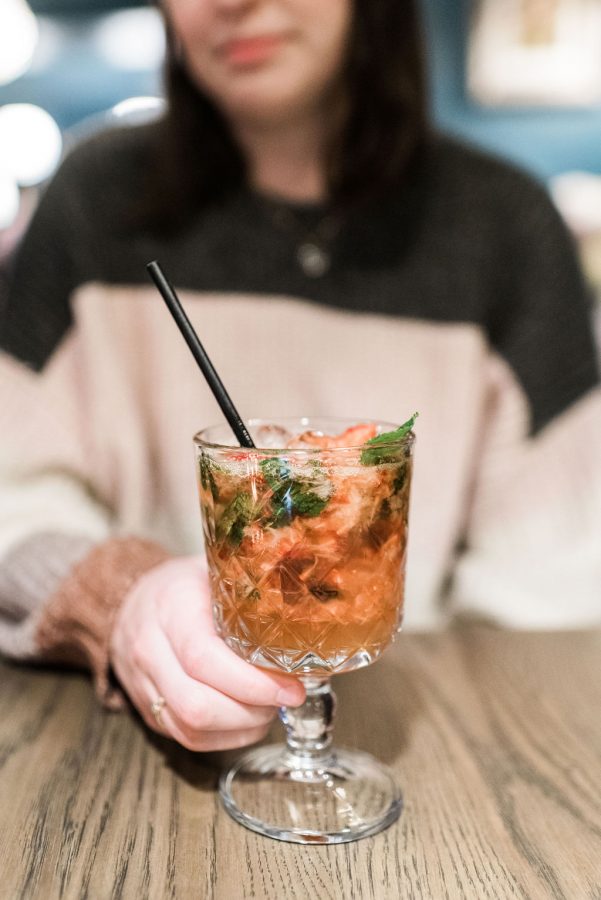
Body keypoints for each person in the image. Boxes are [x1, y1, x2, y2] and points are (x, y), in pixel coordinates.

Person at [0, 0, 599, 752]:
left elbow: (555, 580)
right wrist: (121, 597)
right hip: (131, 747)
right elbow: (13, 496)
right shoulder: (93, 200)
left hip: (442, 746)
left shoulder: (506, 227)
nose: (230, 4)